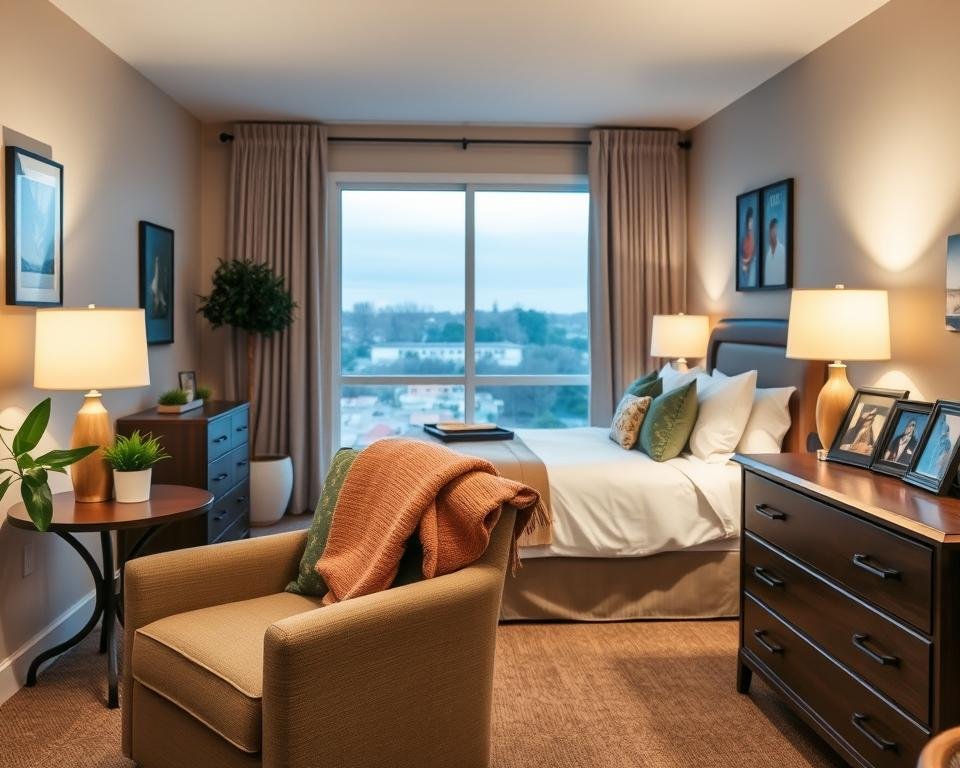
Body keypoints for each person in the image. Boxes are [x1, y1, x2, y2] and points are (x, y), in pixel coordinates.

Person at [764, 217, 786, 286]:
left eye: (775, 228)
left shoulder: (782, 250)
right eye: (772, 229)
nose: (773, 232)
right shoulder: (768, 254)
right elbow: (767, 278)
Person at [740, 206, 757, 288]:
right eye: (750, 220)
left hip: (750, 266)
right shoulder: (745, 236)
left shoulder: (751, 235)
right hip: (746, 266)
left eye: (752, 220)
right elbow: (745, 253)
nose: (751, 223)